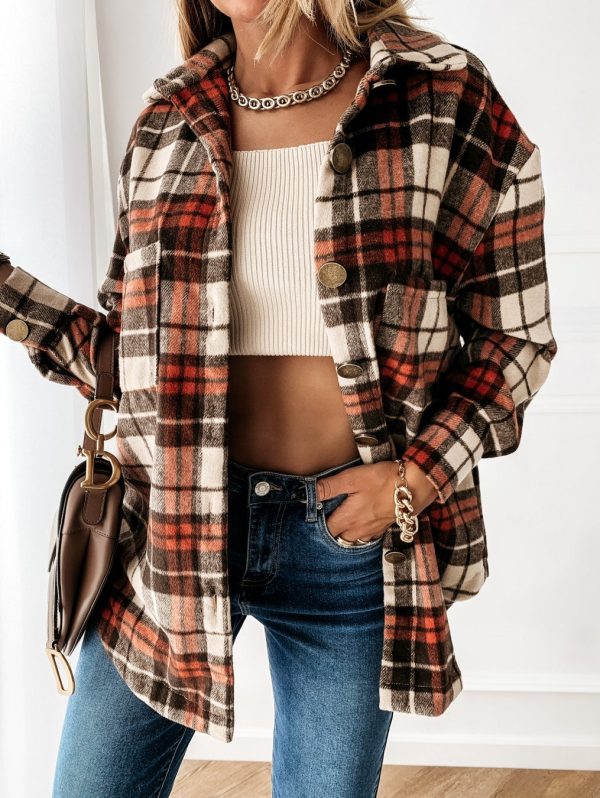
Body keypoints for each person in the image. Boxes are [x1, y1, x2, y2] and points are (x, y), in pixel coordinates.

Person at [0, 1, 558, 796]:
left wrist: (416, 479)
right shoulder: (167, 121)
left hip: (350, 546)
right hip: (173, 530)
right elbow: (130, 361)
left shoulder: (443, 97)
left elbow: (514, 340)